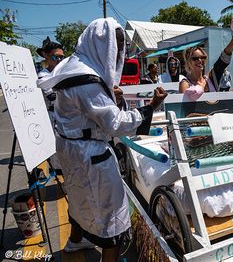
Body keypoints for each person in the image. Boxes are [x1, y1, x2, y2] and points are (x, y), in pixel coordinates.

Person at [37, 18, 167, 260]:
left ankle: (75, 243)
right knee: (114, 217)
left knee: (78, 199)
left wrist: (110, 97)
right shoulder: (87, 80)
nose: (117, 53)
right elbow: (114, 124)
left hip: (70, 147)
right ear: (101, 46)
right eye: (114, 47)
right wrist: (151, 107)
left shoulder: (71, 65)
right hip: (89, 154)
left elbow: (88, 110)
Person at [179, 15, 233, 99]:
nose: (200, 60)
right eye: (195, 58)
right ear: (188, 63)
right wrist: (201, 87)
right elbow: (184, 107)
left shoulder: (211, 79)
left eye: (202, 57)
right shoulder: (185, 83)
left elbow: (223, 60)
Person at [36, 37, 65, 176]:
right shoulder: (43, 76)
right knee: (60, 157)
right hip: (54, 119)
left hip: (67, 118)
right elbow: (53, 98)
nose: (59, 60)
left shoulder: (62, 72)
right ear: (47, 56)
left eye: (62, 57)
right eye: (56, 57)